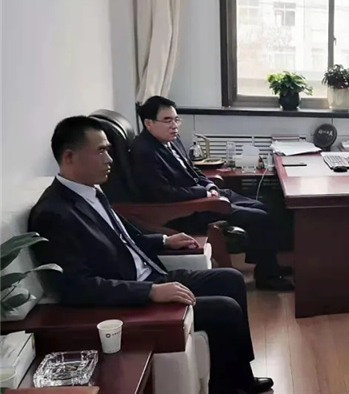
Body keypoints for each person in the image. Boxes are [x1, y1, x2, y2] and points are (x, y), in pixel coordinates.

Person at [28, 116, 275, 394]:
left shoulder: (91, 191)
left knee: (230, 279)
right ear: (69, 157)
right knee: (224, 309)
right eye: (101, 151)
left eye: (109, 149)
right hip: (128, 298)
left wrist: (165, 240)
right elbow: (75, 287)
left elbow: (124, 236)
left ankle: (239, 378)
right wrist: (150, 292)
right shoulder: (53, 214)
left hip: (151, 275)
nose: (110, 159)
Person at [130, 95, 293, 291]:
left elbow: (193, 170)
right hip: (187, 210)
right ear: (148, 123)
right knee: (259, 218)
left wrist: (209, 186)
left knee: (262, 206)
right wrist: (204, 194)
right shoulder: (145, 152)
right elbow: (163, 194)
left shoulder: (171, 140)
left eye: (176, 119)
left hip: (202, 197)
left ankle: (268, 265)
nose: (174, 125)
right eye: (167, 120)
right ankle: (267, 277)